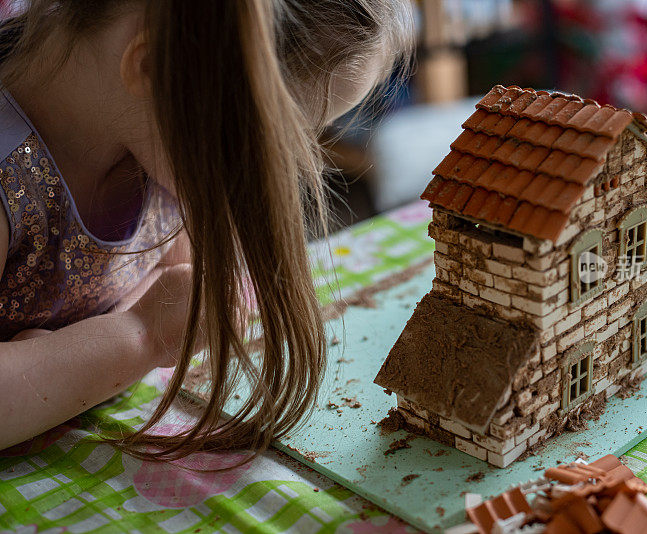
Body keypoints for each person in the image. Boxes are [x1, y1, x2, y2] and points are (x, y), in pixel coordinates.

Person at [0, 0, 412, 457]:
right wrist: (139, 337)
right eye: (272, 137)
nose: (285, 168)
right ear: (157, 68)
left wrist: (65, 360)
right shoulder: (12, 175)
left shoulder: (153, 142)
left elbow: (179, 278)